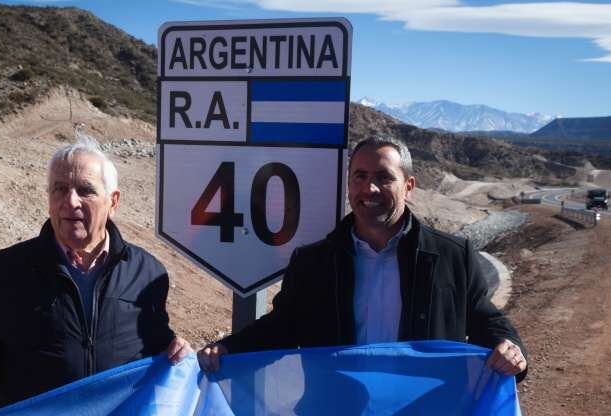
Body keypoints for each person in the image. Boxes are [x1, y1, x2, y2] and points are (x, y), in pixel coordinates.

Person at [0, 133, 191, 416]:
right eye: (60, 189)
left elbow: (155, 346)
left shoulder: (148, 272)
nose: (70, 201)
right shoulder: (7, 271)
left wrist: (177, 350)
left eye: (86, 190)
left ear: (113, 202)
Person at [199, 134, 527, 376]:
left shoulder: (452, 257)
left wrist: (511, 349)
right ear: (349, 184)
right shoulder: (314, 262)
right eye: (361, 176)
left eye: (385, 178)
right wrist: (228, 349)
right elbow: (282, 327)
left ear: (409, 186)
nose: (370, 189)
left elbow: (487, 320)